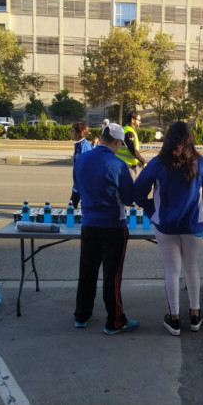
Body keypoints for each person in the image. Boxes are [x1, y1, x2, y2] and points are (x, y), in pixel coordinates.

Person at [134, 121, 203, 336]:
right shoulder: (201, 162)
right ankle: (196, 316)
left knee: (172, 270)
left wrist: (153, 211)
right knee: (191, 268)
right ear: (191, 138)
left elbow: (138, 192)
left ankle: (175, 318)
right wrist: (201, 213)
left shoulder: (158, 163)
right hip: (193, 225)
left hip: (166, 225)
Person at [73, 123, 139, 335]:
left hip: (89, 224)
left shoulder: (81, 159)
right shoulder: (118, 165)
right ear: (118, 142)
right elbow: (129, 200)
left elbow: (77, 187)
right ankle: (115, 321)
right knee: (112, 275)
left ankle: (81, 316)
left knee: (87, 271)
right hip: (113, 226)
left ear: (101, 137)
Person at [116, 111, 146, 179]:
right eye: (138, 120)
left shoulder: (131, 130)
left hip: (131, 165)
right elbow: (133, 150)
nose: (140, 122)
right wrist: (143, 161)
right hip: (126, 166)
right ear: (132, 120)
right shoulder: (129, 132)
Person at [70, 121, 93, 209]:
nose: (72, 133)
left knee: (73, 207)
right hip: (78, 183)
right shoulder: (79, 145)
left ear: (79, 133)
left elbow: (85, 166)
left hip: (83, 184)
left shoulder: (84, 146)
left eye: (73, 131)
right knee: (73, 206)